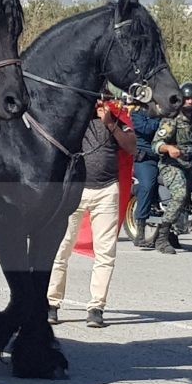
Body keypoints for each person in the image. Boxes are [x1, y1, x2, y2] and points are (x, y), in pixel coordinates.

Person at [47, 98, 136, 328]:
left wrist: (109, 123)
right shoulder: (73, 112)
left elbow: (131, 146)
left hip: (107, 191)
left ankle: (96, 307)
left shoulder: (116, 116)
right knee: (60, 248)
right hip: (75, 189)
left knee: (106, 252)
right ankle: (51, 303)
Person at [150, 84, 192, 254]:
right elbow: (156, 144)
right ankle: (162, 237)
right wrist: (169, 149)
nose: (191, 102)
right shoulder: (171, 120)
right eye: (188, 98)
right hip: (171, 165)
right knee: (180, 194)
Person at [131, 82, 172, 248]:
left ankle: (172, 231)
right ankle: (140, 231)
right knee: (148, 186)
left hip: (165, 156)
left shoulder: (164, 111)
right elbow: (145, 129)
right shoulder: (136, 112)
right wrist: (162, 122)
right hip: (146, 157)